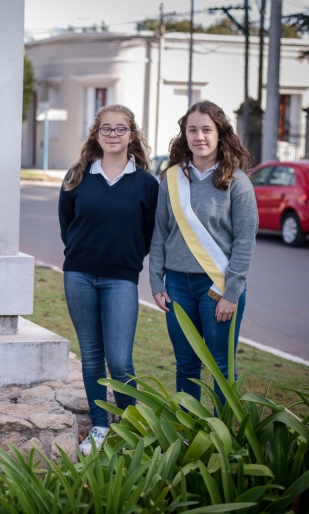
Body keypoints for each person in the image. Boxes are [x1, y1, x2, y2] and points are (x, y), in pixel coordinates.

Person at [58, 104, 158, 456]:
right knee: (90, 357)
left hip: (121, 279)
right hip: (79, 276)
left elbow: (149, 234)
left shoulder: (146, 184)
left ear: (132, 135)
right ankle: (101, 425)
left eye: (121, 129)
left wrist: (125, 259)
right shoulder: (78, 176)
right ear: (96, 134)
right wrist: (86, 255)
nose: (113, 135)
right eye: (106, 129)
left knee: (119, 360)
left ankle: (128, 426)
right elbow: (67, 225)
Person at [149, 100, 258, 406]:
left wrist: (231, 293)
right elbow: (160, 231)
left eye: (206, 130)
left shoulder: (237, 183)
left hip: (217, 288)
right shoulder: (171, 179)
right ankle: (189, 432)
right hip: (177, 286)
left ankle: (224, 440)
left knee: (221, 368)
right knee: (186, 366)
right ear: (184, 135)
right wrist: (157, 282)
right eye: (192, 130)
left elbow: (244, 242)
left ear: (220, 134)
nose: (199, 137)